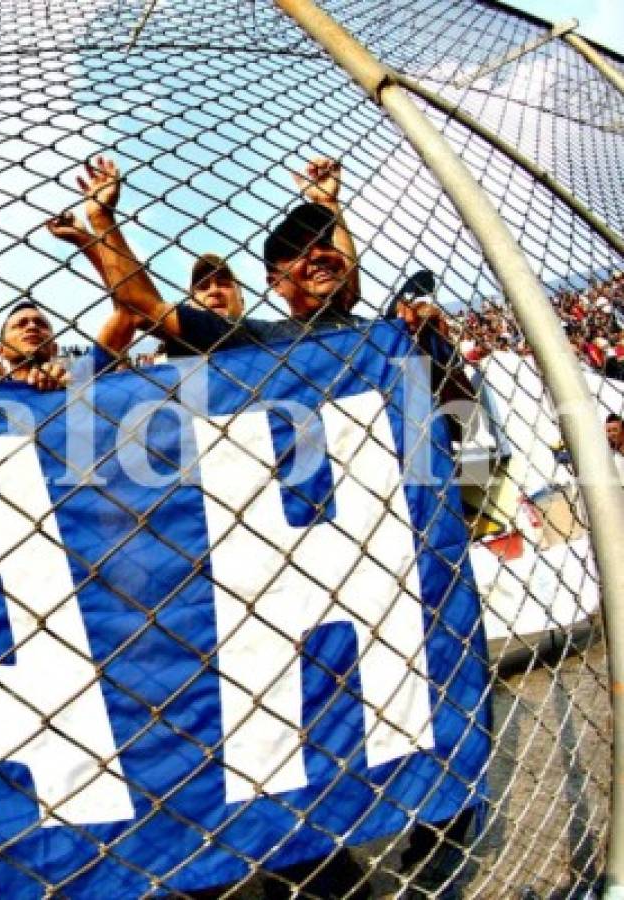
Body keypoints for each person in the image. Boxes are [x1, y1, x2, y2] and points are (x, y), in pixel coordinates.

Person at [57, 154, 475, 899]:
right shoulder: (257, 341)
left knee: (439, 681)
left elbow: (463, 425)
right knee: (294, 722)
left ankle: (437, 820)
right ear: (274, 282)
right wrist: (103, 222)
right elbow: (147, 309)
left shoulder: (388, 336)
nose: (313, 261)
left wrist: (461, 505)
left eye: (325, 248)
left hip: (397, 555)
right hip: (294, 568)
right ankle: (308, 863)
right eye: (291, 256)